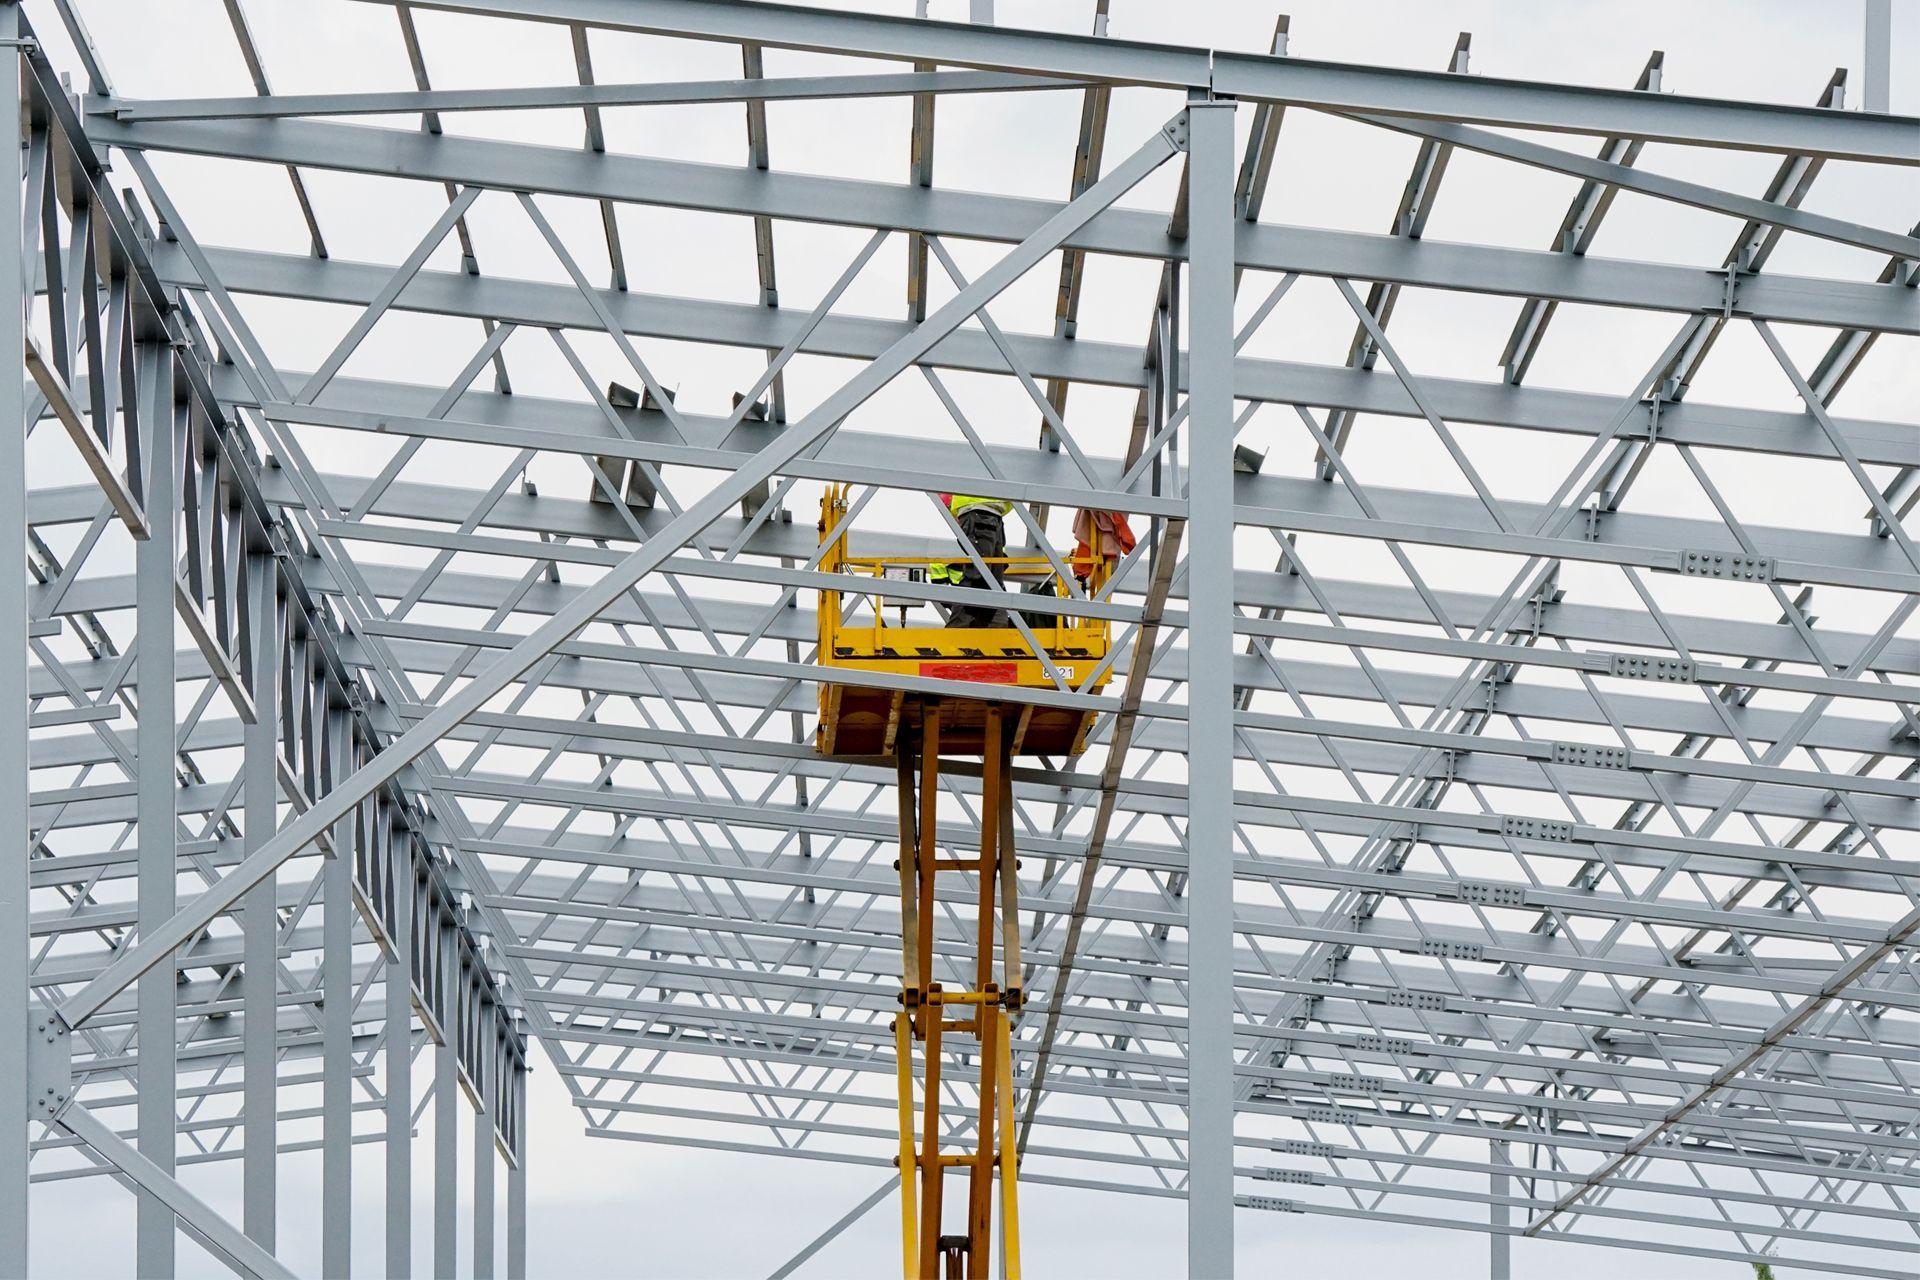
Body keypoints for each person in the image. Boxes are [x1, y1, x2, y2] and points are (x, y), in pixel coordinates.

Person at [931, 492, 1011, 626]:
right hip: (980, 510)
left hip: (989, 513)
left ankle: (978, 628)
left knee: (994, 585)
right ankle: (958, 631)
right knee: (977, 578)